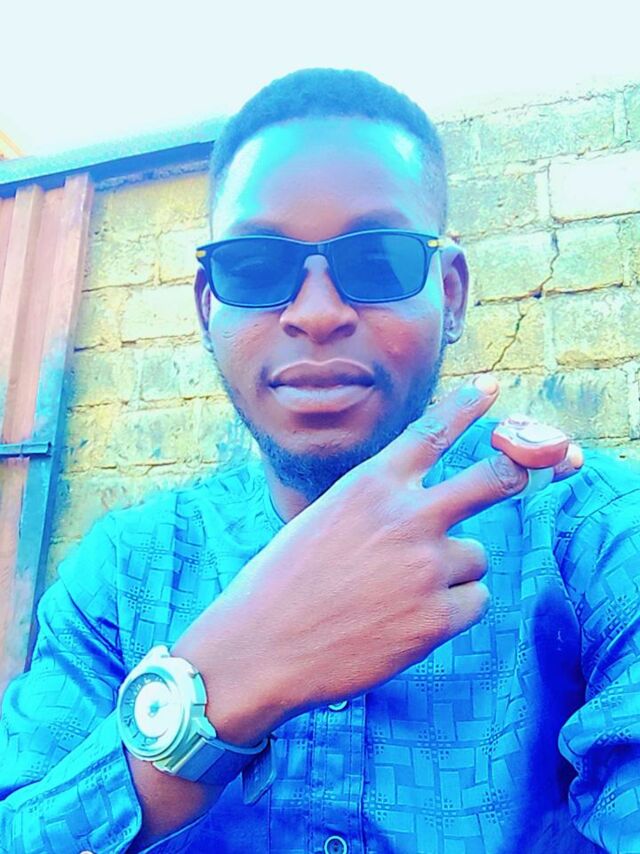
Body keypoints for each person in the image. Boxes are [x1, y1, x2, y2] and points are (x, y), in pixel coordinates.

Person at [1, 67, 639, 854]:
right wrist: (221, 685)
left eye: (376, 259)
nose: (316, 312)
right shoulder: (120, 575)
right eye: (256, 266)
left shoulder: (596, 539)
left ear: (450, 294)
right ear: (207, 305)